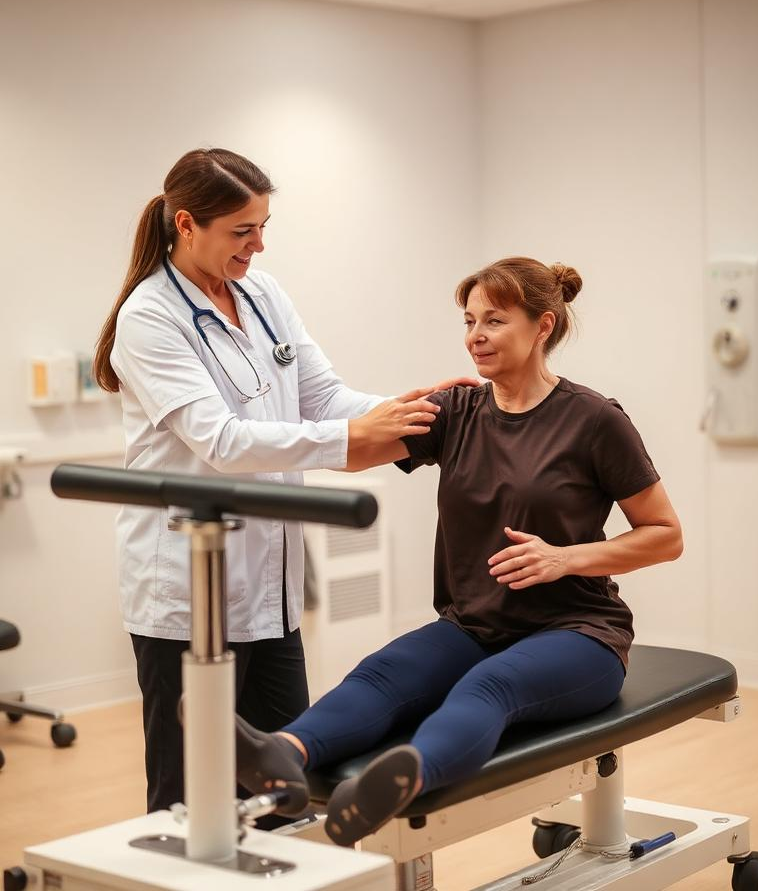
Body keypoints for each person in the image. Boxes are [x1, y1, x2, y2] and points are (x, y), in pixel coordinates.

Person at [239, 255, 684, 846]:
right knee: (383, 674)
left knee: (487, 689)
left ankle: (394, 784)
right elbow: (350, 450)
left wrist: (565, 557)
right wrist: (242, 439)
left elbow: (665, 534)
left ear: (543, 326)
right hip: (474, 624)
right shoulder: (458, 411)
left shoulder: (594, 420)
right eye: (469, 321)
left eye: (495, 321)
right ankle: (281, 756)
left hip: (579, 632)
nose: (476, 336)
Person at [93, 147, 474, 817]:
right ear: (187, 225)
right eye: (243, 230)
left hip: (270, 591)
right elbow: (221, 441)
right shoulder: (150, 317)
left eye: (263, 226)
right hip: (186, 595)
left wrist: (413, 412)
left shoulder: (262, 295)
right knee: (190, 795)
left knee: (284, 787)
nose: (259, 245)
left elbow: (323, 399)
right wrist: (357, 436)